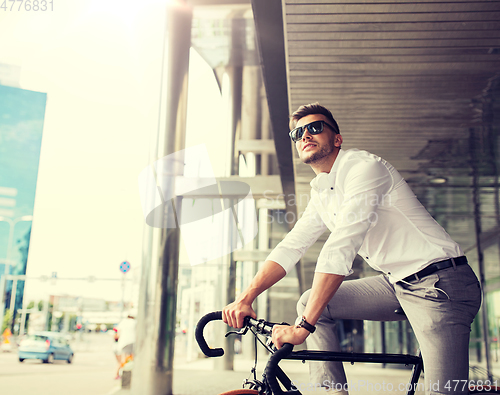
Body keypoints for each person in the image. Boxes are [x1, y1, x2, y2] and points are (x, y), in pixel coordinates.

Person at [223, 103, 482, 395]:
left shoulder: (364, 168)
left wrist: (302, 328)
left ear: (337, 139)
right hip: (396, 284)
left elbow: (341, 247)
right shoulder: (321, 190)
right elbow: (291, 246)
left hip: (440, 283)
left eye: (315, 127)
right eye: (297, 133)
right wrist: (246, 298)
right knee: (310, 302)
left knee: (444, 392)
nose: (305, 135)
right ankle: (332, 392)